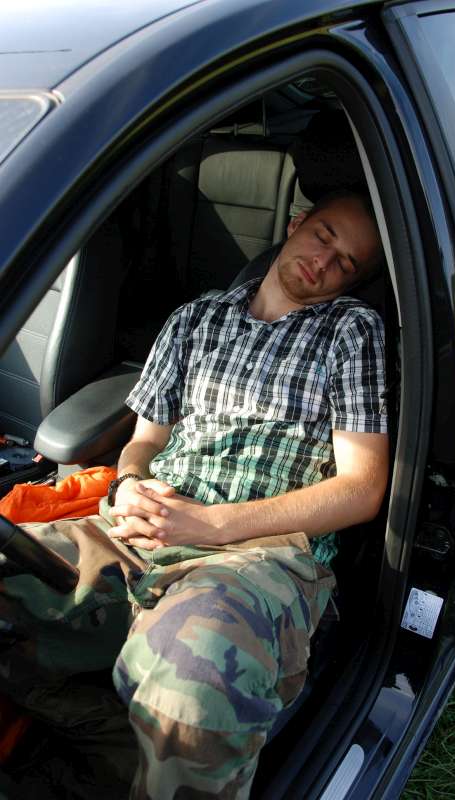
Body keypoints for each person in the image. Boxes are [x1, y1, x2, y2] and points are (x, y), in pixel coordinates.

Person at [0, 191, 388, 799]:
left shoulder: (350, 330)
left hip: (253, 558)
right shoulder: (194, 318)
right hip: (140, 528)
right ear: (296, 224)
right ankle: (115, 747)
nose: (324, 261)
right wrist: (129, 484)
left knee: (190, 697)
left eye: (346, 263)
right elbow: (144, 441)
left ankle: (149, 757)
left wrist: (211, 525)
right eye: (324, 236)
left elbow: (362, 488)